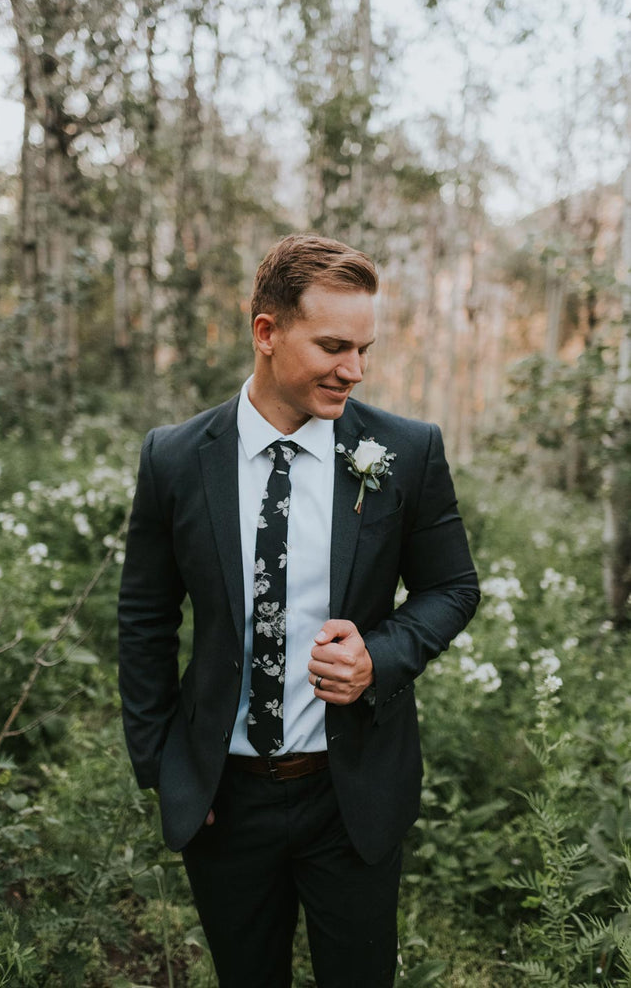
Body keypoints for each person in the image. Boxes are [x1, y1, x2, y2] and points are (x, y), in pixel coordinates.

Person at [118, 233, 480, 988]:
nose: (353, 369)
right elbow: (145, 619)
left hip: (349, 795)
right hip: (225, 797)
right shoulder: (175, 458)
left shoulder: (405, 450)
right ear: (266, 332)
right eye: (333, 346)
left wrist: (379, 656)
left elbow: (452, 588)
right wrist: (168, 770)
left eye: (364, 349)